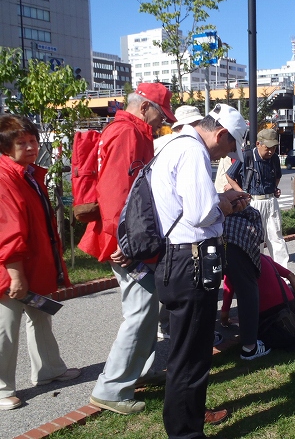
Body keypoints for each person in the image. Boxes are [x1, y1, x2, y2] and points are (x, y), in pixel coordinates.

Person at [150, 103, 251, 439]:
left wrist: (218, 200)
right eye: (230, 147)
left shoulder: (176, 145)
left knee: (187, 353)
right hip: (190, 261)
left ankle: (186, 423)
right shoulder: (193, 151)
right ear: (221, 134)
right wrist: (225, 205)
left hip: (179, 259)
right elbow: (200, 213)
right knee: (191, 357)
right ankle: (185, 433)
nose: (227, 155)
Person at [81, 82, 177, 415]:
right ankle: (111, 389)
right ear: (145, 107)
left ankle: (140, 371)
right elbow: (116, 192)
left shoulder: (128, 131)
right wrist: (125, 242)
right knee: (140, 310)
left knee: (146, 306)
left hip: (128, 237)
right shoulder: (127, 133)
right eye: (161, 114)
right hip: (126, 241)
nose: (162, 122)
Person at [0, 114, 81, 411]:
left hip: (31, 263)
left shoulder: (27, 173)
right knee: (6, 327)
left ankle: (49, 369)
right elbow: (8, 230)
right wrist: (15, 274)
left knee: (40, 317)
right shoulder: (5, 177)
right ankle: (1, 388)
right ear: (6, 147)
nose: (31, 147)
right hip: (12, 267)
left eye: (33, 141)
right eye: (22, 143)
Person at [153, 105, 205, 341]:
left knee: (165, 282)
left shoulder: (161, 144)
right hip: (180, 231)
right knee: (178, 284)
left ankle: (165, 325)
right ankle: (169, 327)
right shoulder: (189, 147)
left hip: (159, 224)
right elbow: (196, 207)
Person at [226, 127, 290, 268]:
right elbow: (229, 175)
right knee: (256, 238)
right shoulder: (246, 156)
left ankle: (283, 273)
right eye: (268, 148)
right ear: (258, 144)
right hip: (253, 202)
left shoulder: (274, 158)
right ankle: (259, 271)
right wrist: (240, 192)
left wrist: (274, 188)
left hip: (271, 201)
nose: (271, 151)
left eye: (274, 148)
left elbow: (277, 176)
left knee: (276, 237)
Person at [218, 206, 272, 360]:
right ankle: (250, 347)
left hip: (207, 242)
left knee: (205, 293)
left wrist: (224, 313)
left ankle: (204, 341)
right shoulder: (250, 217)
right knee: (248, 294)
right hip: (236, 247)